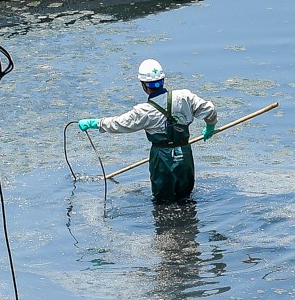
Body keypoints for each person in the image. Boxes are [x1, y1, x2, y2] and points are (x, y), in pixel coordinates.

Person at [77, 58, 219, 204]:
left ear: (144, 86)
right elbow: (209, 110)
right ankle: (188, 224)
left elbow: (119, 123)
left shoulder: (144, 111)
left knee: (162, 202)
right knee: (186, 198)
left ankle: (166, 225)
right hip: (184, 153)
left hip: (162, 158)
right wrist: (210, 126)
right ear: (163, 80)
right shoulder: (184, 97)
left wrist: (96, 123)